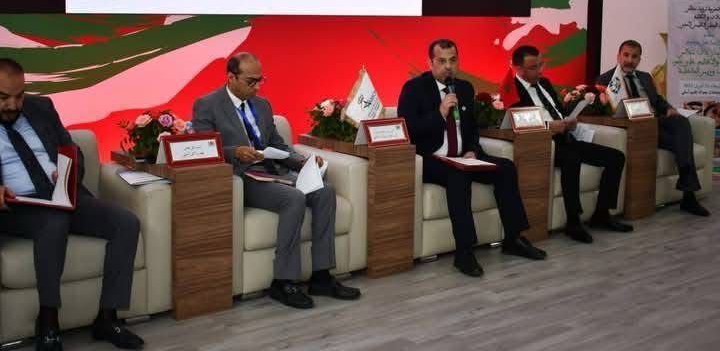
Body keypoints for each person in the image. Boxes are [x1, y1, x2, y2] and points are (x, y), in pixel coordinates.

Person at [192, 52, 360, 309]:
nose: (257, 87)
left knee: (325, 191)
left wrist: (303, 161)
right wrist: (235, 152)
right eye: (251, 81)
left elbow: (278, 146)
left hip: (273, 171)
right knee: (294, 198)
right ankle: (283, 282)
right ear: (231, 78)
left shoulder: (262, 105)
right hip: (243, 177)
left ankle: (322, 276)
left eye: (260, 80)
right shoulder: (207, 104)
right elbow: (204, 148)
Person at [0, 58, 143, 351]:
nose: (13, 105)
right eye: (3, 98)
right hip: (15, 206)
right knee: (55, 221)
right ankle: (48, 323)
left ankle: (107, 319)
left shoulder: (42, 107)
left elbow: (72, 149)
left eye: (19, 96)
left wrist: (67, 170)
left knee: (126, 222)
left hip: (60, 196)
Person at [397, 39, 546, 278]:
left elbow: (472, 129)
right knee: (458, 176)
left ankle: (513, 238)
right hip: (432, 159)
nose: (448, 66)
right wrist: (440, 112)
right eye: (442, 61)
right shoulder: (414, 88)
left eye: (453, 60)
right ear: (430, 63)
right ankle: (464, 252)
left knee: (506, 168)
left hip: (464, 157)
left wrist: (473, 150)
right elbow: (408, 130)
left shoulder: (464, 88)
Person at [510, 45, 634, 243]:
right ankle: (573, 222)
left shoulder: (545, 83)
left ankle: (602, 214)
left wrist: (569, 120)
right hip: (544, 145)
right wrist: (549, 127)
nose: (540, 71)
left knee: (616, 157)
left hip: (566, 138)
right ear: (518, 68)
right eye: (534, 67)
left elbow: (558, 110)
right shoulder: (512, 90)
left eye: (541, 65)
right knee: (571, 158)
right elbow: (519, 123)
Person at [598, 40, 710, 216]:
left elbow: (657, 100)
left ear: (639, 60)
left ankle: (688, 190)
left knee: (681, 121)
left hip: (655, 120)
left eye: (634, 57)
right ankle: (689, 197)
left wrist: (668, 108)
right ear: (618, 56)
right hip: (637, 128)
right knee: (681, 143)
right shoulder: (606, 79)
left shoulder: (645, 77)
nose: (629, 60)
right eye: (626, 55)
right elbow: (603, 111)